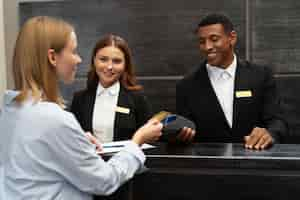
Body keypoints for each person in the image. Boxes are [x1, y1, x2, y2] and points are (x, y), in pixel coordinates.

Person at [0, 16, 162, 200]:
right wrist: (136, 143)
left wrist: (75, 141)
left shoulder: (10, 110)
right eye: (74, 51)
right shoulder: (56, 119)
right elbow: (104, 181)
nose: (78, 59)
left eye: (117, 61)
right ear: (52, 57)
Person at [176, 13, 287, 150]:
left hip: (256, 162)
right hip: (209, 166)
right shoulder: (187, 86)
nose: (207, 47)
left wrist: (270, 134)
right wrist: (180, 136)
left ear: (232, 38)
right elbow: (183, 132)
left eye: (214, 39)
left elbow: (277, 121)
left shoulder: (260, 76)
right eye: (202, 41)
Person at [70, 34, 152, 143]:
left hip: (126, 159)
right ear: (94, 61)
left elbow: (148, 137)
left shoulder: (137, 98)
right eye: (103, 59)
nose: (109, 67)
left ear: (125, 65)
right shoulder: (80, 99)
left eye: (117, 61)